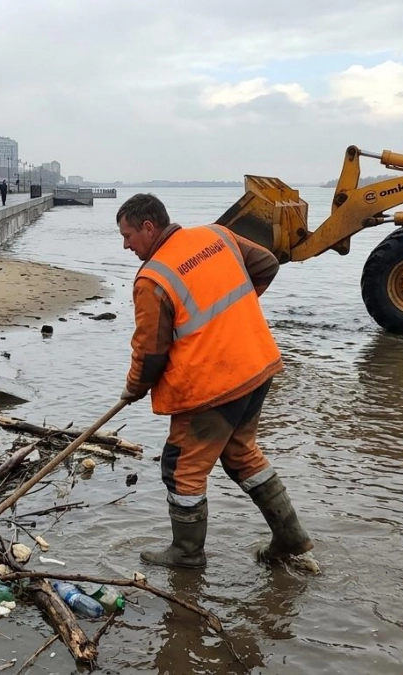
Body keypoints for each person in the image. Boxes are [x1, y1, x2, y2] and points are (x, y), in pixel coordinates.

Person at [116, 193, 315, 570]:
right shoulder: (217, 236)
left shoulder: (152, 279)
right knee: (241, 454)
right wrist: (235, 316)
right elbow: (268, 264)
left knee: (181, 468)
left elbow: (151, 353)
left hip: (213, 384)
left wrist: (134, 387)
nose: (126, 245)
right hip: (257, 365)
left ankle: (187, 554)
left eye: (128, 235)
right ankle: (291, 537)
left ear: (148, 226)